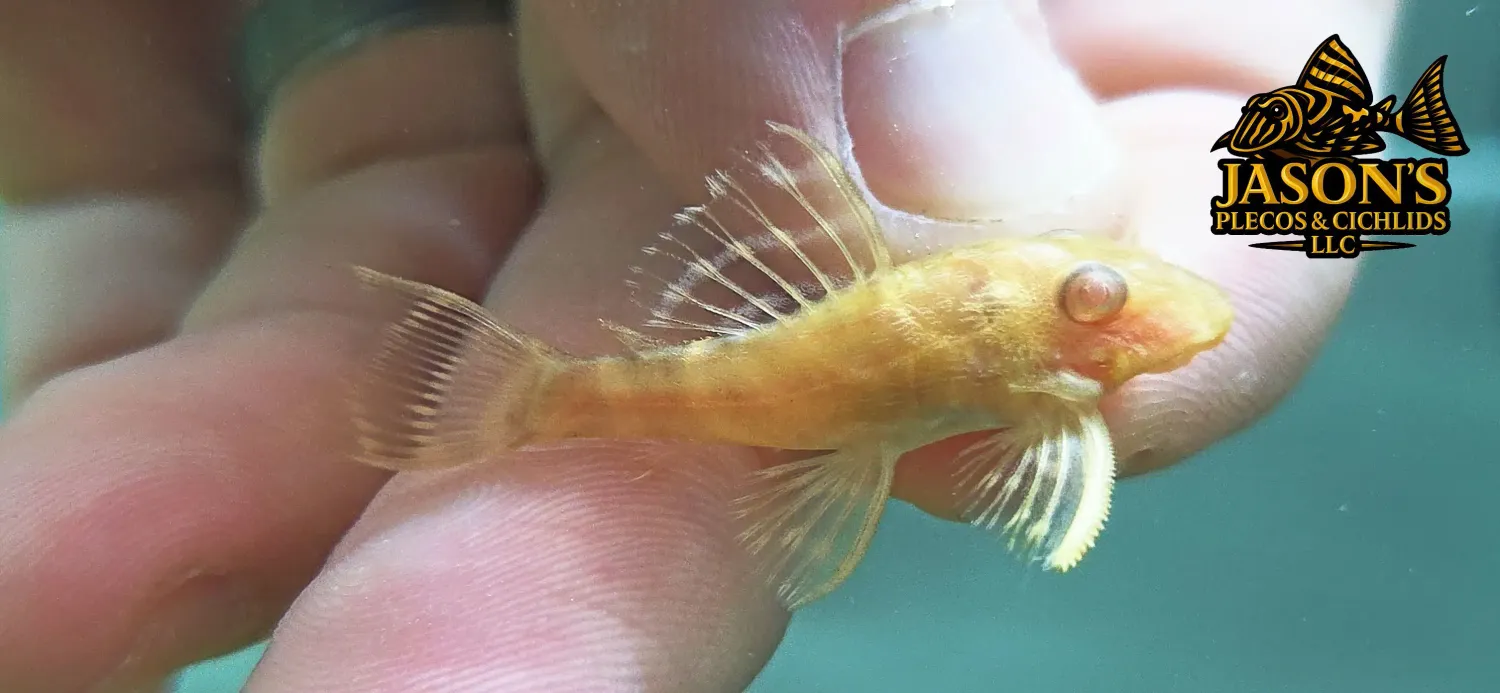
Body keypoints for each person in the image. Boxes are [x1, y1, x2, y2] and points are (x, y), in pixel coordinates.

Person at [0, 0, 1395, 690]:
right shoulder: (1009, 320)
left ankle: (522, 399)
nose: (1126, 309)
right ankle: (521, 400)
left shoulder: (1033, 357)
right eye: (1096, 293)